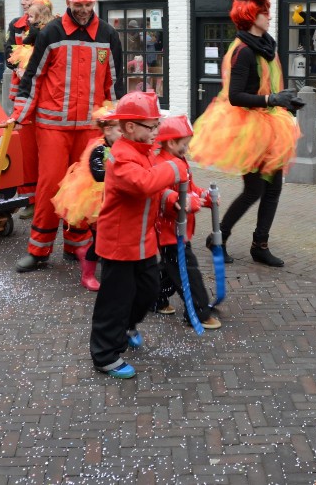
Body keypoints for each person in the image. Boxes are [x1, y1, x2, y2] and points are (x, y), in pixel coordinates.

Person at [10, 0, 125, 273]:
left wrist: (117, 123)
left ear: (93, 4)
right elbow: (33, 77)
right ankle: (38, 250)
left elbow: (114, 85)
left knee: (85, 188)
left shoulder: (109, 35)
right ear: (68, 3)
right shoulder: (52, 31)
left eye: (88, 5)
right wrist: (20, 111)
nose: (84, 10)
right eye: (78, 5)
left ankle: (77, 246)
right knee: (50, 187)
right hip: (53, 127)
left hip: (89, 129)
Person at [189, 0, 303, 267]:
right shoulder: (243, 51)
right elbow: (236, 96)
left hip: (270, 124)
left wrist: (284, 101)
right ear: (251, 16)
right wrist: (271, 98)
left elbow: (270, 87)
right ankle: (218, 237)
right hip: (247, 129)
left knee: (274, 187)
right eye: (264, 12)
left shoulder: (267, 47)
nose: (269, 17)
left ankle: (259, 245)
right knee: (254, 190)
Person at [89, 92, 187, 379]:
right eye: (151, 126)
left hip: (142, 241)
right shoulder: (120, 157)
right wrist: (175, 166)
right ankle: (105, 355)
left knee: (148, 291)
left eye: (157, 125)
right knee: (114, 301)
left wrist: (169, 200)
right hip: (119, 244)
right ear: (130, 127)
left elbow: (154, 188)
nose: (156, 131)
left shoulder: (144, 152)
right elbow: (144, 184)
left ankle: (127, 326)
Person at [153, 115, 222, 330]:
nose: (187, 149)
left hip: (180, 228)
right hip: (169, 231)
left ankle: (154, 297)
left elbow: (189, 189)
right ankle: (199, 312)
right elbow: (162, 194)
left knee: (170, 268)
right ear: (171, 142)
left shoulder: (178, 160)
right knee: (188, 271)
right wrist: (183, 202)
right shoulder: (161, 164)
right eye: (184, 144)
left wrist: (205, 196)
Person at [52, 107, 122, 292]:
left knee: (114, 239)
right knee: (102, 241)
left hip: (115, 199)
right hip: (96, 203)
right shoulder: (99, 149)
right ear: (107, 130)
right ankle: (88, 274)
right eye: (120, 130)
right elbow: (98, 174)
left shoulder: (121, 147)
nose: (124, 134)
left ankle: (97, 260)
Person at [10, 0, 54, 218]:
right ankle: (29, 198)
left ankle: (41, 200)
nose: (23, 3)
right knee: (26, 152)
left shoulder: (49, 33)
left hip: (43, 101)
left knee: (45, 154)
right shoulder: (19, 28)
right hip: (25, 99)